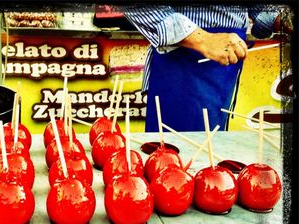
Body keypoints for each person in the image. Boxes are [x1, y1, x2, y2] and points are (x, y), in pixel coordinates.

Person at [123, 5, 292, 131]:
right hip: (183, 57)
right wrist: (203, 40)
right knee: (175, 162)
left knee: (209, 161)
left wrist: (278, 16)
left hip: (226, 63)